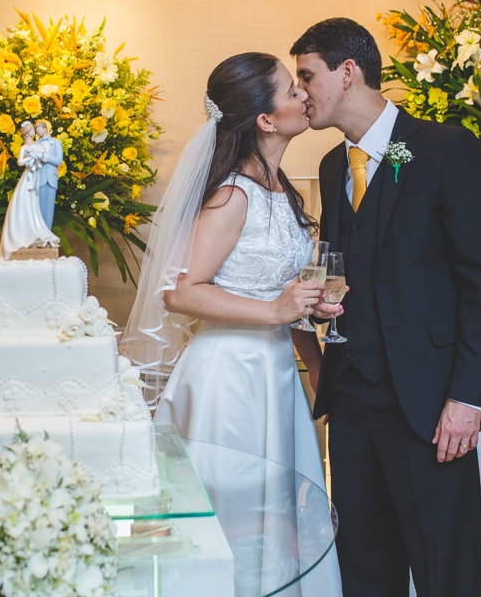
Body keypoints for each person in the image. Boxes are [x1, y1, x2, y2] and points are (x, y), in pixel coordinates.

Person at [292, 18, 481, 597]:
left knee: (445, 569)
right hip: (353, 401)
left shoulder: (445, 149)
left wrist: (467, 398)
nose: (301, 92)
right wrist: (320, 301)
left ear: (348, 71)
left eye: (307, 76)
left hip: (431, 404)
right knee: (364, 564)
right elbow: (349, 267)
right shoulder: (334, 166)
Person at [121, 52, 343, 595]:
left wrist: (315, 363)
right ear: (265, 120)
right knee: (236, 514)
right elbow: (179, 291)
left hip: (274, 376)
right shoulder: (233, 194)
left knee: (277, 514)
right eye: (292, 90)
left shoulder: (278, 189)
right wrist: (275, 310)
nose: (304, 97)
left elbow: (280, 296)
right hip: (229, 379)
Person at [0, 121, 59, 258]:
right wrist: (31, 157)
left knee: (36, 207)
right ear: (27, 133)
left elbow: (55, 159)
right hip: (31, 177)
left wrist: (40, 157)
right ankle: (27, 234)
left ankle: (40, 235)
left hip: (38, 176)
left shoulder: (41, 144)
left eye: (36, 129)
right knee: (27, 204)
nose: (35, 131)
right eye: (33, 129)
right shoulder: (25, 147)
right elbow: (20, 162)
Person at [34, 120, 63, 229]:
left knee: (49, 207)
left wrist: (46, 158)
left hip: (51, 179)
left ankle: (47, 233)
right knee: (39, 208)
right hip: (39, 178)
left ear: (45, 128)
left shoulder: (56, 143)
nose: (38, 134)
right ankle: (39, 233)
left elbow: (59, 160)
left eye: (39, 131)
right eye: (37, 132)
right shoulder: (36, 144)